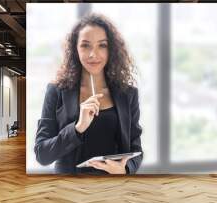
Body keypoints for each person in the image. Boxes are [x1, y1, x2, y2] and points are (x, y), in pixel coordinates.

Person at [34, 13, 143, 174]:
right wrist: (78, 128)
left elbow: (136, 150)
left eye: (102, 45)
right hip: (69, 190)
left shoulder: (128, 94)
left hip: (113, 189)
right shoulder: (56, 91)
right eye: (85, 45)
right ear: (75, 49)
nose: (93, 54)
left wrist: (124, 169)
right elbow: (42, 154)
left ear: (111, 49)